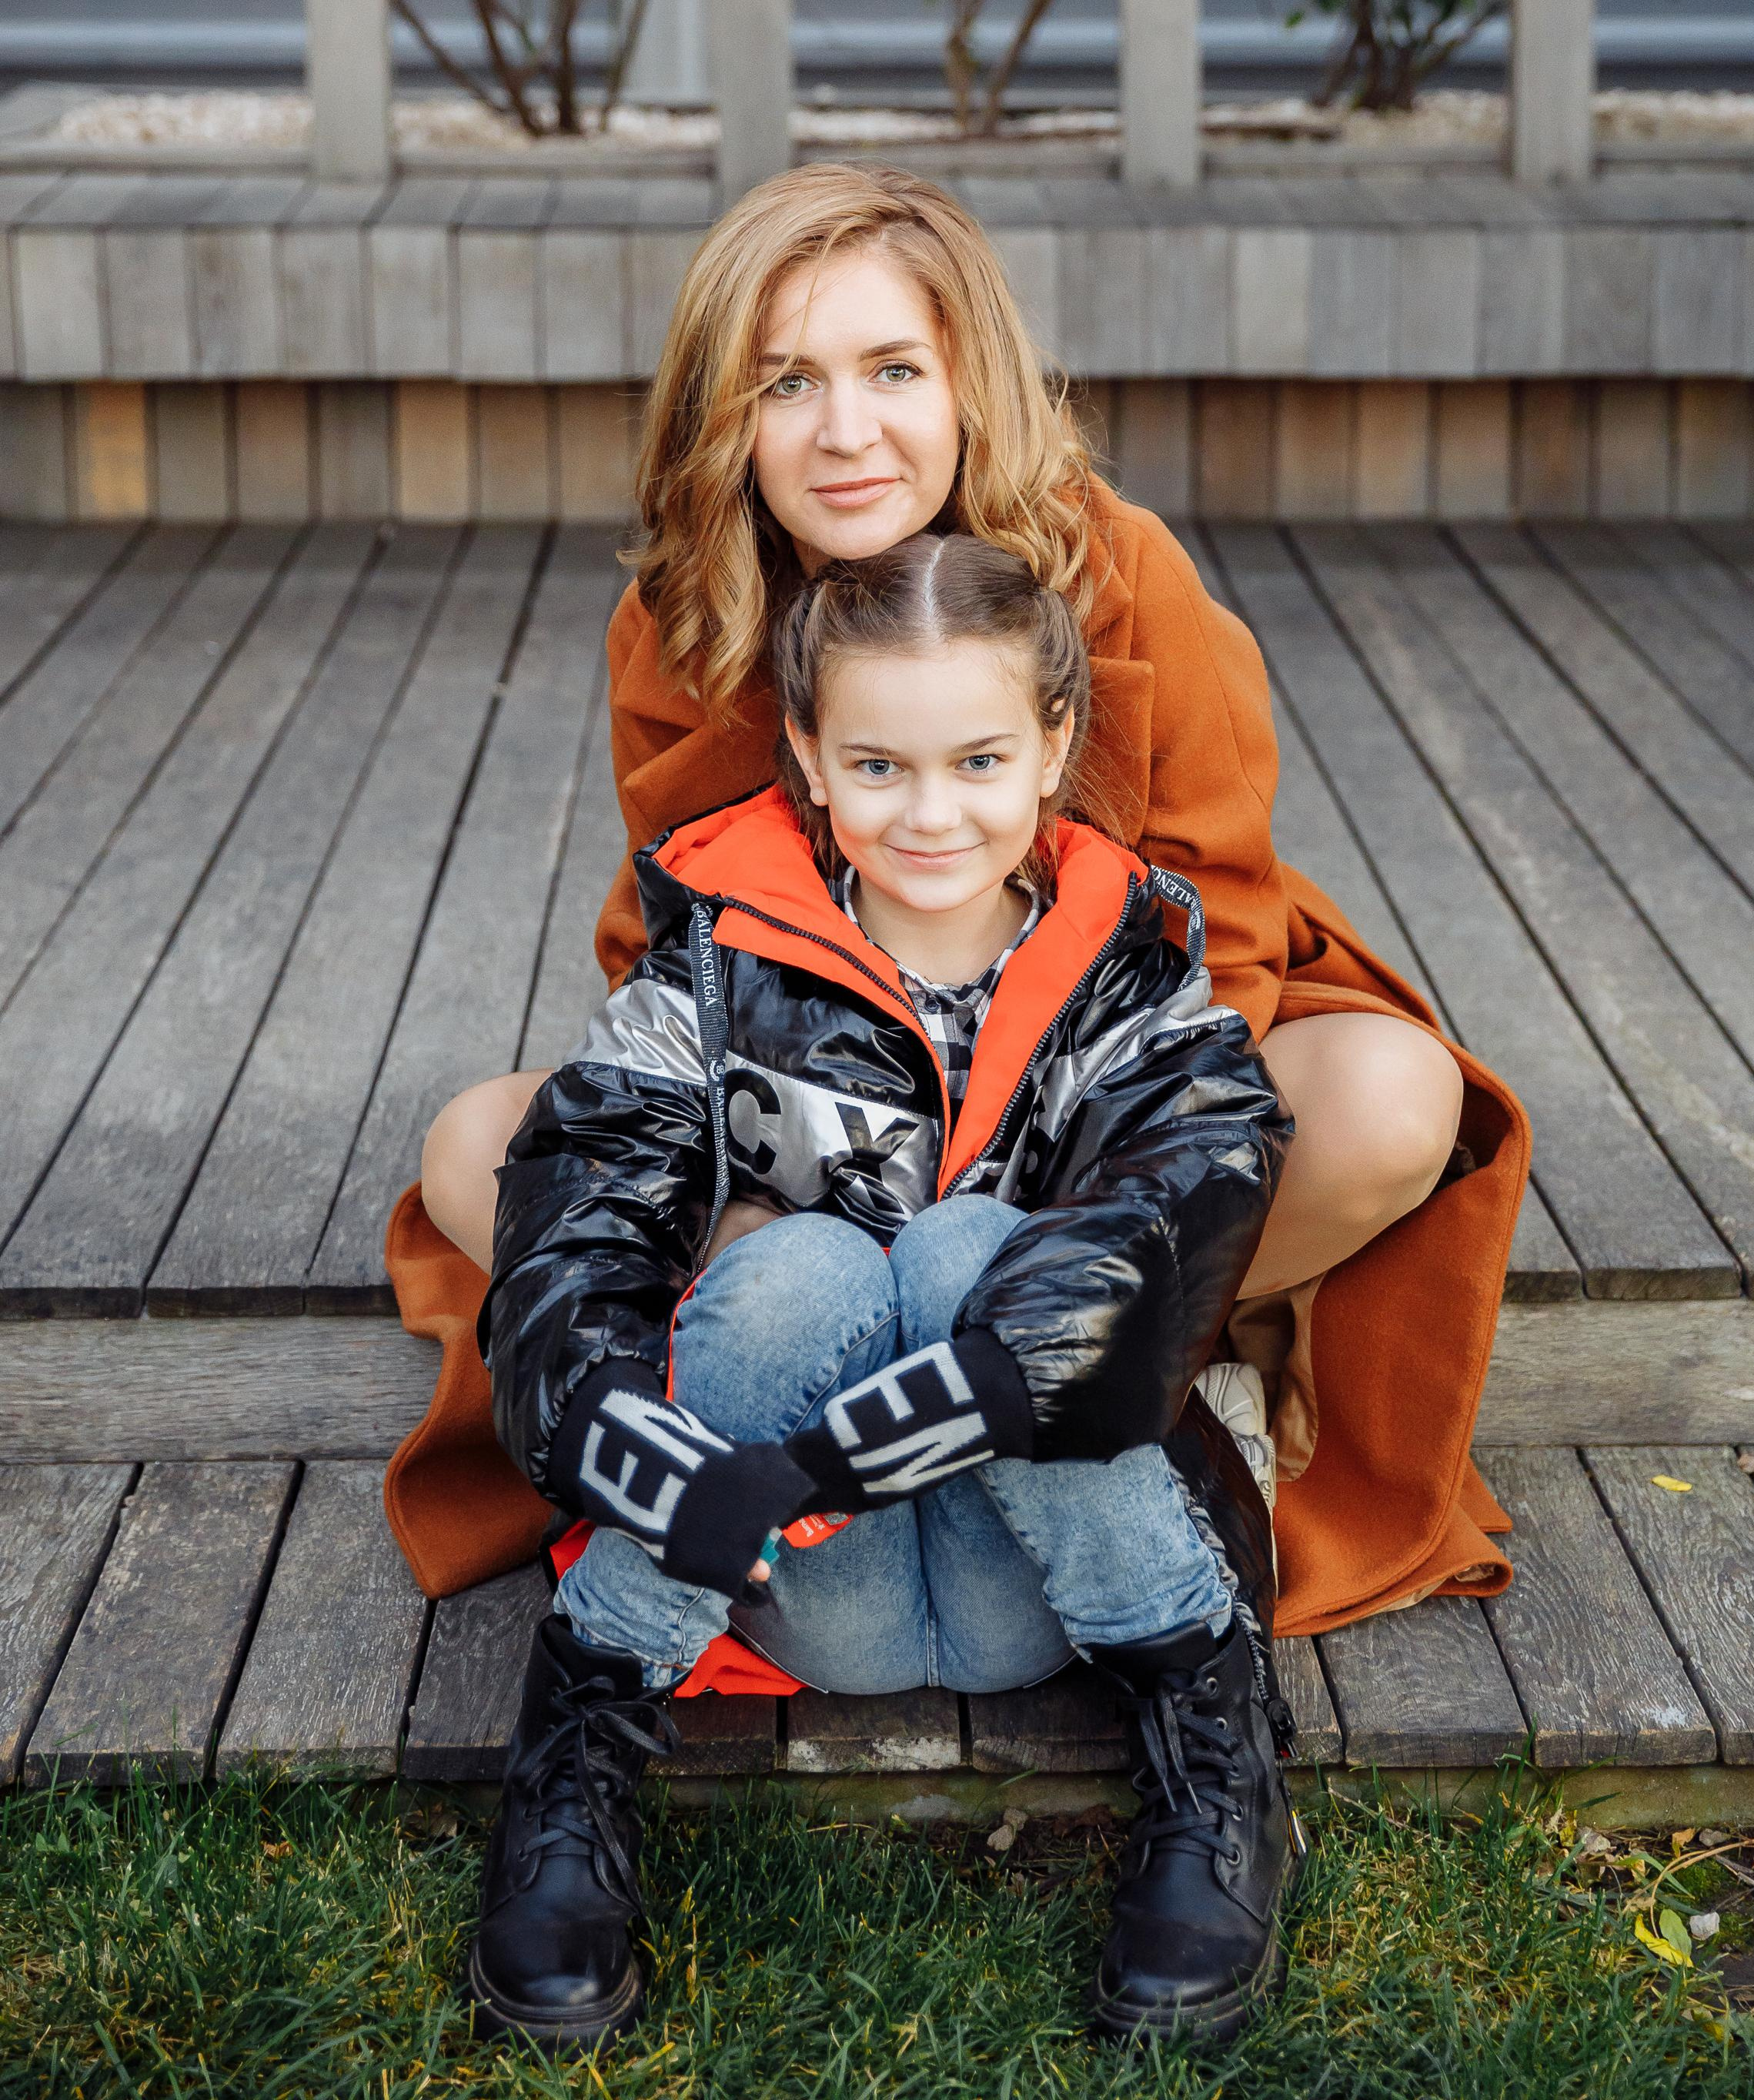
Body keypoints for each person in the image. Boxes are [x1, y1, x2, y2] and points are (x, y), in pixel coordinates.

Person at [399, 166, 1524, 1644]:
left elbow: (1224, 945)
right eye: (784, 382)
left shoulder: (1119, 573)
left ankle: (1121, 1367)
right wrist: (773, 1187)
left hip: (1095, 1103)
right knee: (479, 1145)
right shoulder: (689, 615)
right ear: (718, 419)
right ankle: (846, 1394)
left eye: (891, 370)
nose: (844, 430)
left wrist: (1041, 1194)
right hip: (824, 1130)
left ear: (968, 383)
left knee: (1392, 1094)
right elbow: (677, 954)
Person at [470, 534, 1297, 2051]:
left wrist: (988, 1374)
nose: (931, 811)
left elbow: (1194, 1175)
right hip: (798, 1577)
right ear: (807, 752)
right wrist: (610, 1431)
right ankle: (582, 1737)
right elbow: (582, 1189)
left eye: (979, 757)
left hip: (1045, 1578)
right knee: (797, 1263)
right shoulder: (713, 958)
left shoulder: (1130, 968)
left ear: (1055, 743)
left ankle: (1208, 1737)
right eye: (879, 763)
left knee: (972, 1253)